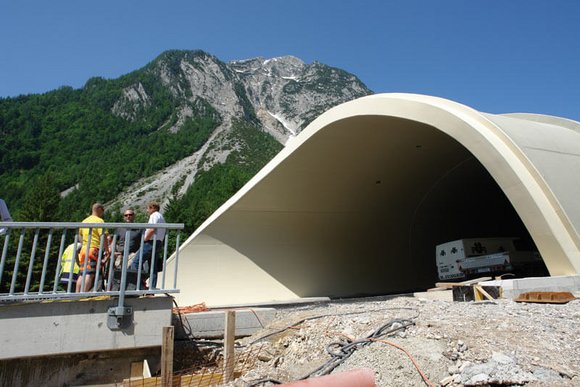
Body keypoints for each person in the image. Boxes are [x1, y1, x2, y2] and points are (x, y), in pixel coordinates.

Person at [131, 202, 165, 289]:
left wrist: (145, 239)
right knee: (153, 266)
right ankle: (152, 288)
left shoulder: (154, 216)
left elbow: (152, 229)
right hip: (158, 242)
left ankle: (137, 285)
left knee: (136, 263)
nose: (147, 211)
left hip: (151, 242)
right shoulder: (161, 217)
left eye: (148, 208)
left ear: (152, 208)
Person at [76, 203, 109, 293]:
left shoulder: (84, 221)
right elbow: (103, 236)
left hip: (84, 249)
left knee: (82, 273)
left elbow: (80, 236)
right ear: (99, 209)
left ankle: (77, 293)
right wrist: (107, 250)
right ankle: (84, 293)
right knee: (89, 274)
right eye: (102, 211)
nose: (103, 213)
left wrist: (84, 245)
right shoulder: (99, 221)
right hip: (93, 249)